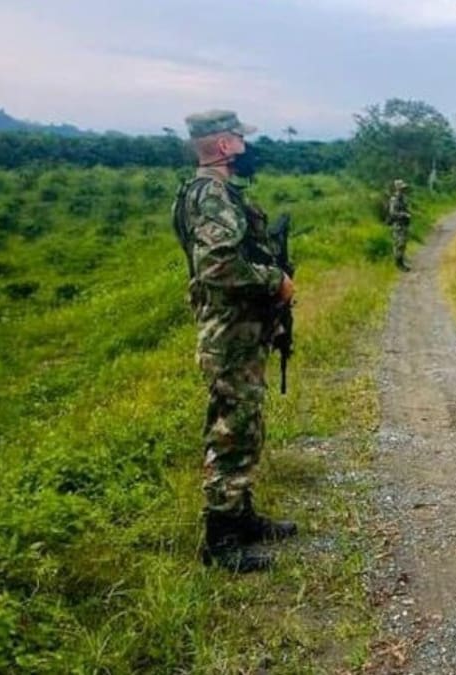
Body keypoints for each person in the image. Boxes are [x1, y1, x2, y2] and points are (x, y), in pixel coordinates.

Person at [171, 110, 298, 572]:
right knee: (231, 429)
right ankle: (221, 540)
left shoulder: (208, 192)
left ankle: (241, 515)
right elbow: (218, 267)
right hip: (228, 333)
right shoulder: (212, 197)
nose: (246, 148)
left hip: (237, 331)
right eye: (240, 141)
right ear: (224, 146)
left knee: (243, 422)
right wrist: (274, 281)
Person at [388, 179, 412, 271]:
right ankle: (398, 263)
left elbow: (407, 208)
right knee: (399, 244)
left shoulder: (403, 198)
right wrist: (403, 214)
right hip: (398, 225)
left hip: (404, 224)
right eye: (402, 188)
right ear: (397, 188)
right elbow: (393, 213)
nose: (403, 189)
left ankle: (401, 261)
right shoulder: (394, 200)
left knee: (403, 244)